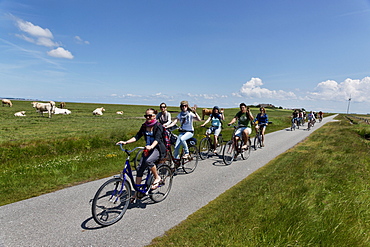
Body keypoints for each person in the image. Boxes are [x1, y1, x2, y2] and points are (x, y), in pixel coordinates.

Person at [116, 108, 166, 200]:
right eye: (146, 116)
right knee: (139, 168)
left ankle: (157, 177)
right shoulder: (144, 126)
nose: (148, 117)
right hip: (148, 149)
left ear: (155, 116)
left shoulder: (158, 126)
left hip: (158, 148)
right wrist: (125, 142)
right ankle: (137, 192)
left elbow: (157, 139)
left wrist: (151, 146)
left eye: (150, 115)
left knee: (149, 161)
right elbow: (137, 136)